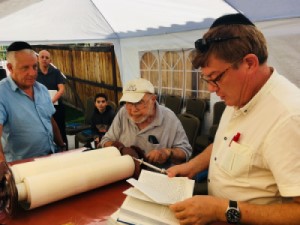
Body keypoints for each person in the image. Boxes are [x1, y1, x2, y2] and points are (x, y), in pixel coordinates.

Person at [167, 13, 300, 225]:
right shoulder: (241, 94)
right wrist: (192, 166)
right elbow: (225, 145)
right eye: (207, 79)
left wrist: (223, 210)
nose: (211, 89)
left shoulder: (289, 118)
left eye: (216, 78)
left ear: (249, 63)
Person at [100, 78, 192, 170]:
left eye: (138, 103)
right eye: (128, 103)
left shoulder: (169, 118)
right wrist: (121, 148)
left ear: (153, 99)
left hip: (156, 176)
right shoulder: (123, 112)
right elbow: (105, 140)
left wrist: (167, 153)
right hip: (125, 171)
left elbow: (185, 152)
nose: (133, 110)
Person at [0, 42, 66, 162]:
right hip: (22, 166)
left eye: (35, 67)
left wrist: (61, 145)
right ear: (10, 68)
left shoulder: (42, 89)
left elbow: (50, 119)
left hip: (50, 156)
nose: (32, 73)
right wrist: (2, 164)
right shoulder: (2, 93)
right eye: (25, 68)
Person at [37, 50, 68, 149]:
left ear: (50, 60)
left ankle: (63, 148)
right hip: (40, 107)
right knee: (43, 129)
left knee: (60, 128)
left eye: (47, 57)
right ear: (38, 59)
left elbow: (61, 89)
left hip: (57, 106)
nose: (44, 59)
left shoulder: (56, 72)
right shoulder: (34, 73)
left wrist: (51, 101)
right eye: (42, 57)